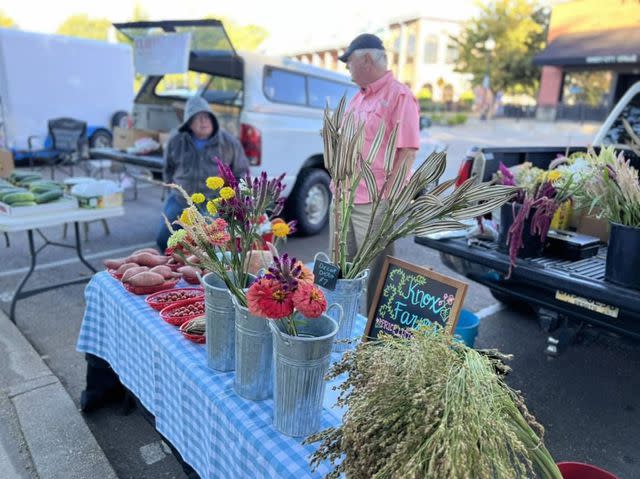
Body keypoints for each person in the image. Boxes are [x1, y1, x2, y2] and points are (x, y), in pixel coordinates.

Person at [334, 33, 420, 310]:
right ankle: (338, 323)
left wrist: (389, 202)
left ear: (367, 60)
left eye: (349, 63)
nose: (348, 70)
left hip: (374, 202)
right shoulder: (358, 98)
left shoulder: (400, 96)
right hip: (344, 196)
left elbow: (407, 153)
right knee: (339, 270)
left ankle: (371, 338)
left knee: (376, 274)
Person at [156, 95, 249, 251]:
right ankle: (174, 271)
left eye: (206, 117)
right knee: (164, 240)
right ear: (188, 123)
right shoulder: (176, 141)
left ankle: (201, 273)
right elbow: (168, 169)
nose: (203, 121)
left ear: (213, 119)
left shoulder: (228, 142)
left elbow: (241, 172)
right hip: (182, 200)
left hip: (214, 203)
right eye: (197, 118)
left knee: (211, 246)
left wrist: (232, 200)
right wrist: (173, 190)